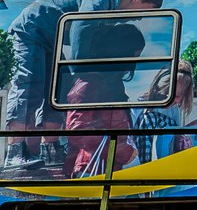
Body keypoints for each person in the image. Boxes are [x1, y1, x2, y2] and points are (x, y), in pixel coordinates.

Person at [2, 0, 163, 172]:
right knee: (29, 86)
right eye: (145, 12)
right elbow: (81, 28)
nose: (139, 19)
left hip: (51, 39)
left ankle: (50, 148)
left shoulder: (109, 6)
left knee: (59, 88)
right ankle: (15, 151)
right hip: (30, 32)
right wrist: (83, 71)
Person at [61, 22, 145, 178]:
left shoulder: (111, 85)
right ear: (123, 53)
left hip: (105, 167)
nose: (136, 61)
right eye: (135, 54)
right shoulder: (90, 84)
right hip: (91, 168)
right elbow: (78, 131)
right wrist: (123, 151)